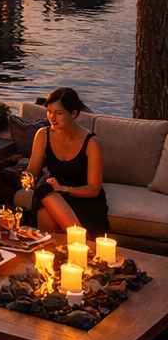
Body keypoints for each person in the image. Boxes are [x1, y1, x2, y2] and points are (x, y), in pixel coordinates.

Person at [25, 87, 109, 235]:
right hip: (53, 194)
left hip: (82, 196)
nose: (52, 118)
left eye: (58, 113)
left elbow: (93, 189)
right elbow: (32, 171)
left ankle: (84, 242)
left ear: (73, 113)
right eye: (49, 112)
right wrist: (27, 178)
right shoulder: (43, 134)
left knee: (45, 192)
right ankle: (73, 246)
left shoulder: (92, 143)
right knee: (43, 194)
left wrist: (64, 189)